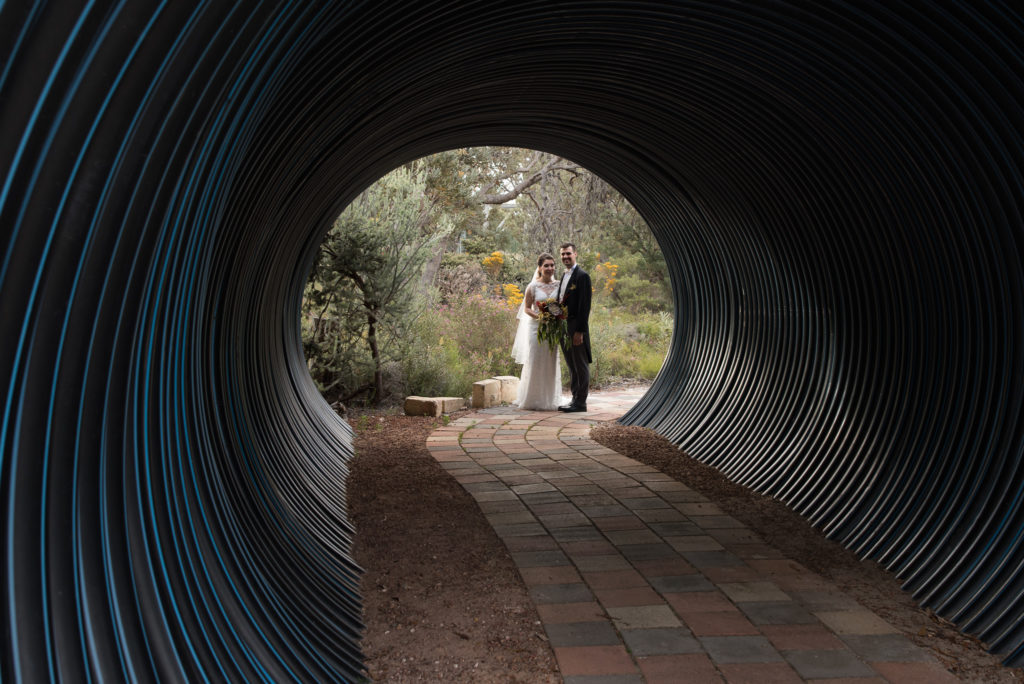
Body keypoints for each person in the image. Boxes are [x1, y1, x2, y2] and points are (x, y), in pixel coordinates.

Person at [511, 253, 563, 410]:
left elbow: (561, 305)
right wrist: (540, 317)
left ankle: (549, 399)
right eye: (546, 265)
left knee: (551, 361)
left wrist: (558, 317)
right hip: (536, 329)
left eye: (552, 265)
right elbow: (527, 308)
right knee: (535, 360)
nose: (550, 268)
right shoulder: (532, 287)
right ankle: (532, 399)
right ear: (540, 268)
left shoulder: (559, 285)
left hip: (553, 330)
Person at [556, 243, 591, 412]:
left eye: (568, 254)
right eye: (563, 254)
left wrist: (580, 331)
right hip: (564, 328)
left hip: (576, 328)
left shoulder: (582, 276)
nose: (565, 257)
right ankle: (574, 399)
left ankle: (581, 402)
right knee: (571, 365)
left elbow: (585, 306)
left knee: (581, 365)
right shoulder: (564, 275)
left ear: (575, 254)